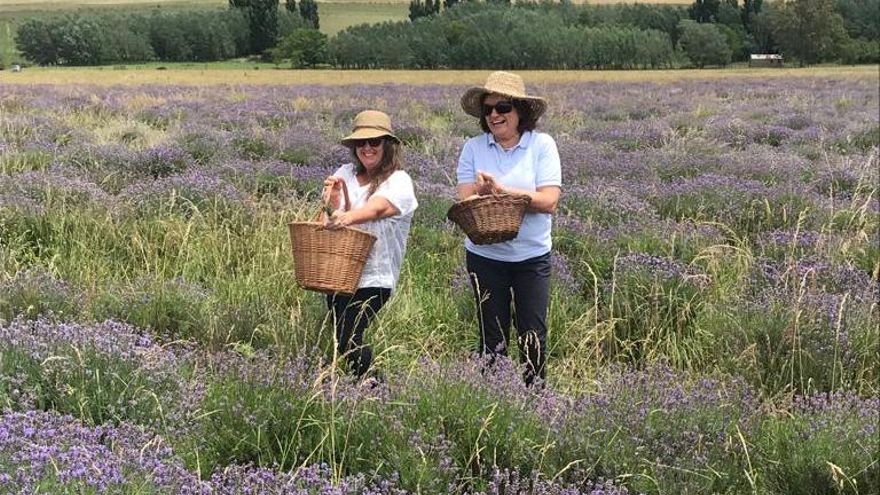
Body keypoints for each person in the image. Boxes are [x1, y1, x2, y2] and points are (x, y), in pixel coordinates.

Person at [456, 71, 562, 386]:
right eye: (488, 109)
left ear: (520, 111)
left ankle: (535, 400)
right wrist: (482, 195)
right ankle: (496, 404)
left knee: (533, 335)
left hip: (531, 257)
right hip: (485, 257)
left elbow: (549, 201)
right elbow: (466, 202)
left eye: (502, 107)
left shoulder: (541, 145)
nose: (494, 115)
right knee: (492, 336)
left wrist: (503, 193)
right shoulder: (473, 148)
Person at [321, 110, 418, 379]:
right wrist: (332, 203)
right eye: (360, 142)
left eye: (374, 141)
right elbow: (326, 221)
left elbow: (378, 208)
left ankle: (376, 386)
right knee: (342, 339)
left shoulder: (399, 181)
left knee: (349, 336)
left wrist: (348, 216)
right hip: (338, 272)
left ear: (387, 145)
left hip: (375, 277)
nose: (366, 147)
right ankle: (361, 390)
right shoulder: (345, 173)